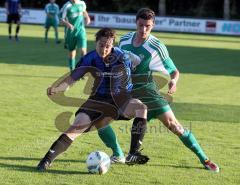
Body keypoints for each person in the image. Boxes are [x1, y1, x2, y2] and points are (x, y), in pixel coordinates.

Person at [97, 8, 220, 172]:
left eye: (147, 26)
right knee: (100, 119)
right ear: (136, 23)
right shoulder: (125, 40)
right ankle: (118, 154)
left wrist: (173, 82)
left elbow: (174, 71)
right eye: (140, 25)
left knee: (174, 126)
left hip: (148, 93)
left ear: (153, 25)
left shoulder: (156, 46)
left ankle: (205, 159)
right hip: (127, 93)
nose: (143, 30)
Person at [37, 27, 149, 171]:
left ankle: (133, 153)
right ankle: (46, 161)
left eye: (108, 46)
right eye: (101, 45)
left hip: (121, 100)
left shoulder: (124, 56)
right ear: (96, 42)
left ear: (113, 45)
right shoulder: (90, 58)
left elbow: (140, 63)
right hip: (97, 100)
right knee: (75, 127)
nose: (104, 49)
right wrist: (57, 89)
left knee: (141, 108)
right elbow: (72, 79)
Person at [60, 0, 91, 71]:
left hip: (81, 31)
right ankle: (72, 70)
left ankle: (82, 70)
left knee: (83, 51)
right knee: (72, 52)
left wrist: (87, 17)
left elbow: (84, 11)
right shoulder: (67, 6)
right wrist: (68, 24)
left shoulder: (82, 3)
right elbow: (61, 20)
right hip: (70, 33)